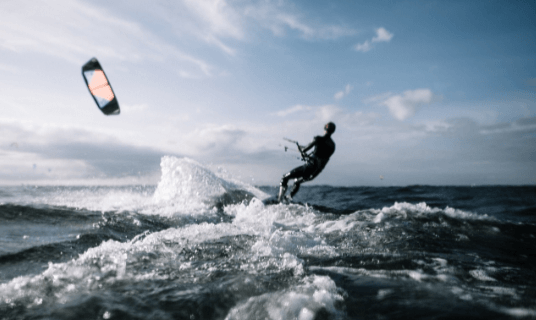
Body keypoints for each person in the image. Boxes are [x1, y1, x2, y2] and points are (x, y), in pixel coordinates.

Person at [278, 122, 336, 202]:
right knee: (297, 181)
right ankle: (288, 198)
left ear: (325, 128)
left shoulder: (318, 139)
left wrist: (300, 148)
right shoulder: (332, 146)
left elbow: (304, 150)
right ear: (333, 131)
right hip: (315, 172)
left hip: (309, 167)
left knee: (284, 178)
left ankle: (279, 201)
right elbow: (322, 158)